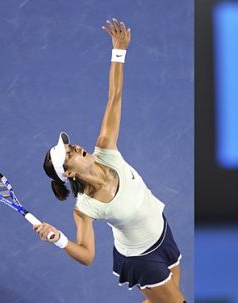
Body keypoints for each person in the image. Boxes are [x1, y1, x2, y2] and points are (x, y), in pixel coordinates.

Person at [35, 19, 186, 303]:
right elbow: (87, 255)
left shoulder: (106, 149)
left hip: (163, 233)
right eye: (69, 154)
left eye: (71, 145)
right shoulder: (85, 208)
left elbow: (114, 98)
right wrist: (58, 239)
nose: (76, 147)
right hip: (140, 259)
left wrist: (119, 52)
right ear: (68, 173)